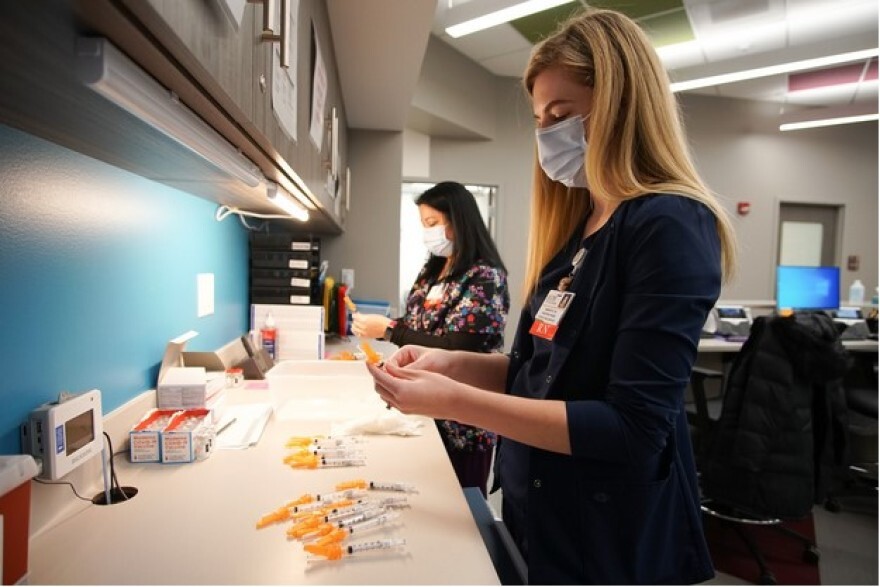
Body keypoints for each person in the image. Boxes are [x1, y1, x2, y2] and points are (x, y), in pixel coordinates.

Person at [366, 8, 737, 585]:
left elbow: (633, 430)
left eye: (561, 116)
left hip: (607, 535)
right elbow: (540, 372)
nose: (547, 136)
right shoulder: (581, 226)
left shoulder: (667, 224)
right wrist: (454, 367)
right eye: (541, 120)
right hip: (539, 508)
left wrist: (452, 401)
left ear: (619, 105)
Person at [352, 181, 509, 497]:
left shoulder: (484, 277)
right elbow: (419, 326)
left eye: (432, 223)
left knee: (461, 508)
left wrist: (390, 331)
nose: (428, 233)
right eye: (424, 224)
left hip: (462, 420)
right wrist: (384, 326)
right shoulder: (433, 269)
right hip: (424, 409)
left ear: (457, 221)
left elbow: (461, 349)